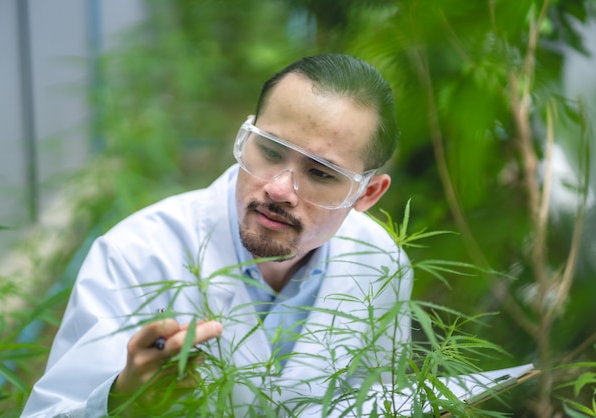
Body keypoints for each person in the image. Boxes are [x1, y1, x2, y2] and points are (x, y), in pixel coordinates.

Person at [22, 53, 413, 417]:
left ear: (367, 193)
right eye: (271, 151)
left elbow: (379, 400)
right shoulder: (135, 254)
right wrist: (123, 399)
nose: (279, 189)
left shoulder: (381, 263)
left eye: (321, 173)